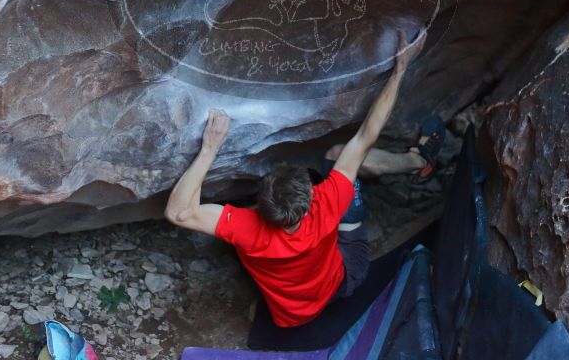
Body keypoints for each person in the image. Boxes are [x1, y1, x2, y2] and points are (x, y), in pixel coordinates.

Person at [164, 28, 445, 327]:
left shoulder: (246, 228)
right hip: (345, 279)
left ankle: (417, 163)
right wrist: (400, 70)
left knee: (342, 177)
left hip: (292, 314)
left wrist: (209, 149)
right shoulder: (326, 203)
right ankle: (416, 161)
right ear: (311, 197)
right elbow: (365, 137)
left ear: (259, 203)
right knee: (340, 156)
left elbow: (179, 212)